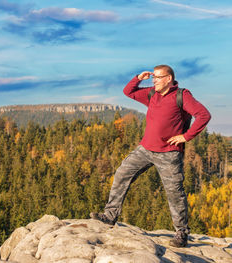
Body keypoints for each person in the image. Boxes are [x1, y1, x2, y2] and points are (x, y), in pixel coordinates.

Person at [90, 65, 211, 247]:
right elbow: (128, 92)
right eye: (153, 77)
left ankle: (181, 232)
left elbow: (203, 115)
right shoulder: (151, 94)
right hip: (145, 149)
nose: (154, 80)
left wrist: (186, 137)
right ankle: (109, 216)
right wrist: (139, 77)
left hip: (169, 153)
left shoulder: (182, 95)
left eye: (158, 77)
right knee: (122, 174)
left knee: (174, 193)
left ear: (169, 79)